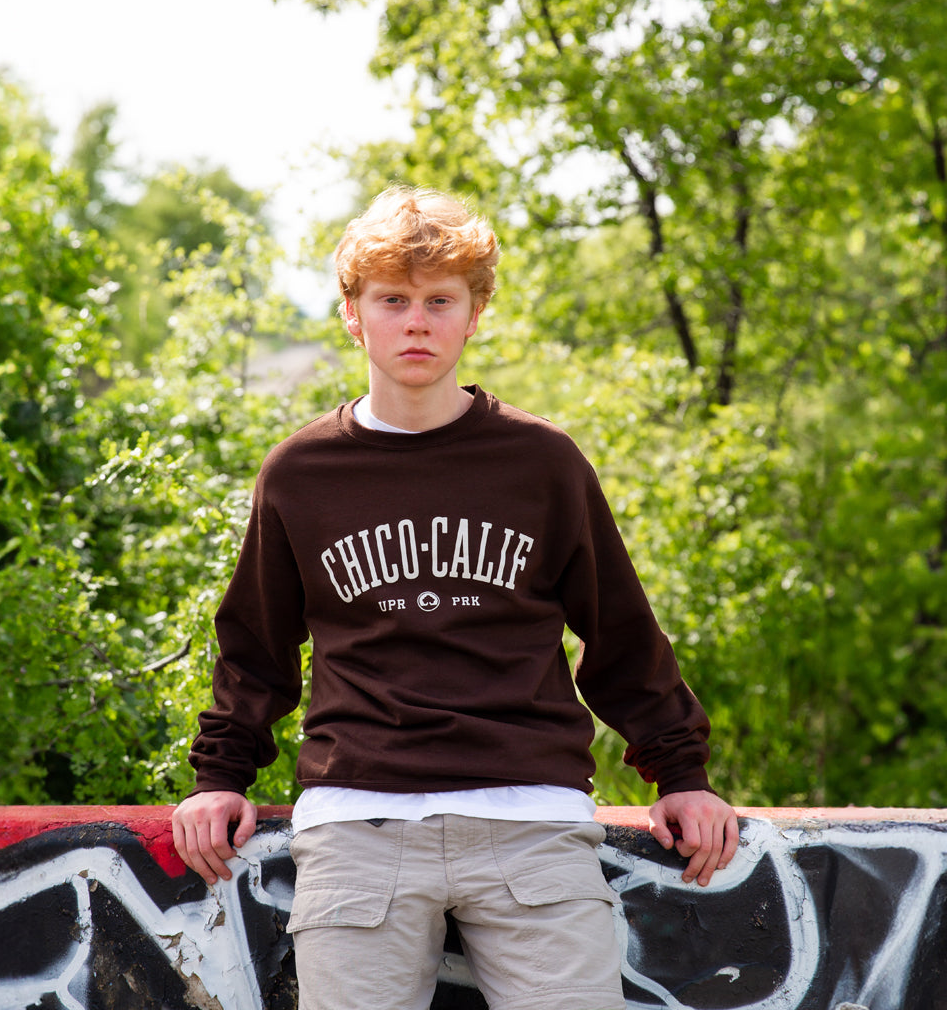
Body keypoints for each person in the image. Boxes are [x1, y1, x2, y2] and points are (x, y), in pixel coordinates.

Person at [171, 185, 739, 1010]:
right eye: (392, 300)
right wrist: (220, 775)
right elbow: (255, 647)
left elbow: (618, 629)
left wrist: (679, 773)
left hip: (532, 821)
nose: (416, 322)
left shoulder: (542, 463)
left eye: (441, 301)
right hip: (359, 823)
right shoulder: (300, 472)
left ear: (474, 315)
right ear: (353, 314)